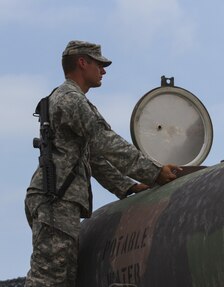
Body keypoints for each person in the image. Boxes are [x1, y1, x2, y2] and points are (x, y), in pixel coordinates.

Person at [24, 40, 180, 287]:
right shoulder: (71, 100)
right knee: (50, 279)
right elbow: (106, 142)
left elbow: (93, 157)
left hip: (58, 201)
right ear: (82, 63)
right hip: (56, 201)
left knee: (62, 278)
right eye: (99, 64)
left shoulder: (68, 99)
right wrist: (154, 173)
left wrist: (127, 187)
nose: (104, 70)